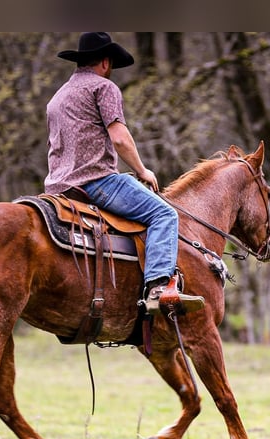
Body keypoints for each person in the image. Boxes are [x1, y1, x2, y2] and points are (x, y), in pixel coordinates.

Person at [45, 32, 204, 316]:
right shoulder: (103, 88)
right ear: (106, 62)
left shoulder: (58, 97)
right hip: (97, 181)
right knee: (165, 214)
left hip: (58, 189)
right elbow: (119, 138)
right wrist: (142, 170)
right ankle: (158, 288)